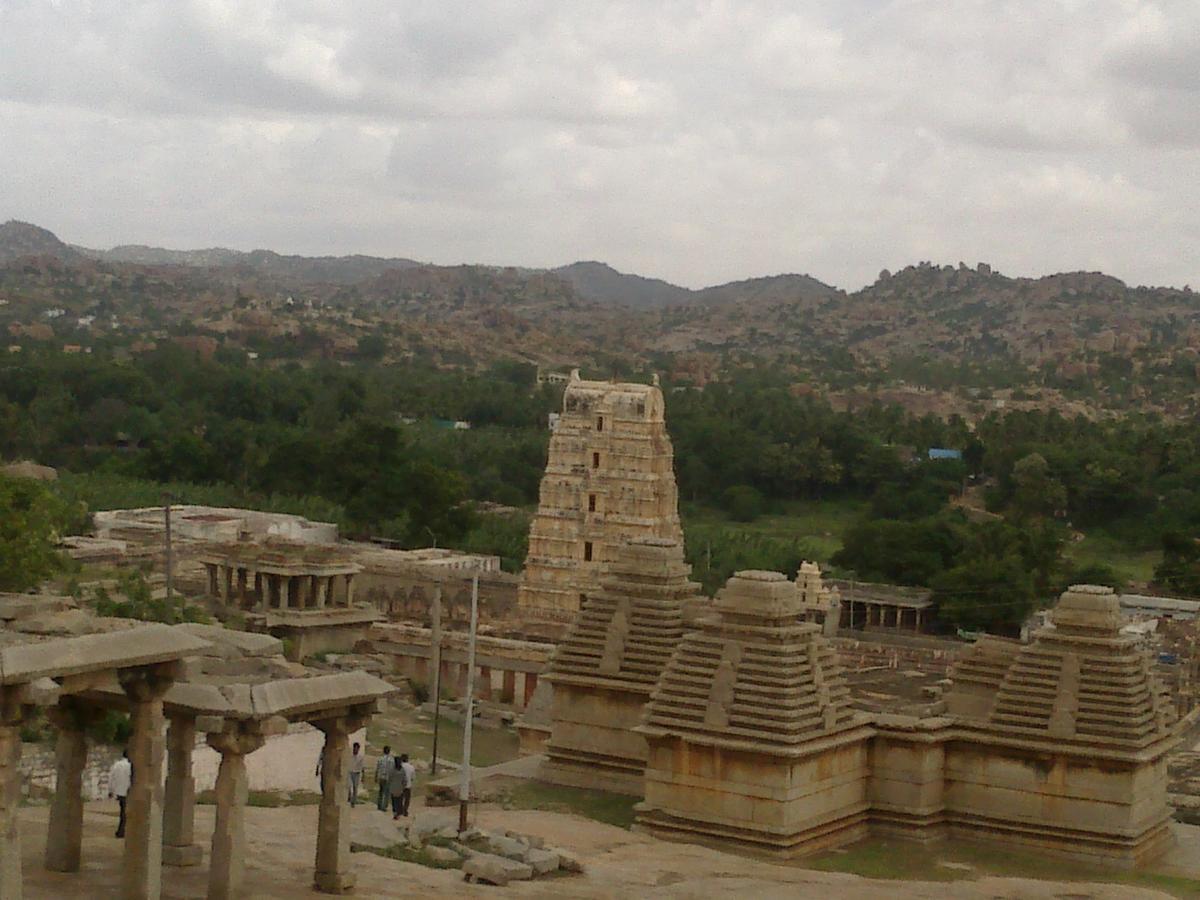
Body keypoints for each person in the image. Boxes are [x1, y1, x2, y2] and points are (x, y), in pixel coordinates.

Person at [108, 749, 132, 839]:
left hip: (120, 792)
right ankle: (122, 831)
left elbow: (111, 777)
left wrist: (111, 790)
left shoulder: (117, 765)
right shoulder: (130, 766)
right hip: (128, 792)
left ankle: (121, 831)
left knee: (123, 811)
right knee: (125, 813)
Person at [389, 753, 410, 820]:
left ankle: (396, 813)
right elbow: (404, 779)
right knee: (398, 801)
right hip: (398, 788)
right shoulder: (401, 770)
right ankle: (398, 813)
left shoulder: (393, 770)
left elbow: (390, 778)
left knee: (396, 801)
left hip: (395, 788)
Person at [375, 745, 394, 812]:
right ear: (389, 751)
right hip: (387, 777)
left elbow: (377, 768)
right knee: (386, 792)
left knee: (381, 791)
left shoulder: (380, 759)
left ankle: (379, 805)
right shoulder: (391, 760)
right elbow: (392, 770)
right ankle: (384, 806)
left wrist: (376, 777)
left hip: (381, 777)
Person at [398, 753, 415, 817]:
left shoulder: (399, 766)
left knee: (400, 798)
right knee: (407, 799)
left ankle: (400, 810)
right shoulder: (411, 767)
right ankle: (405, 810)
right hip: (408, 785)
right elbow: (413, 777)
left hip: (400, 785)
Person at [348, 742, 365, 806]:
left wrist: (363, 776)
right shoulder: (350, 755)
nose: (356, 750)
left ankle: (353, 801)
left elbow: (362, 767)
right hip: (350, 771)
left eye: (357, 749)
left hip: (357, 773)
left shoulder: (360, 757)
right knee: (349, 785)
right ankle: (349, 797)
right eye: (355, 748)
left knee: (355, 787)